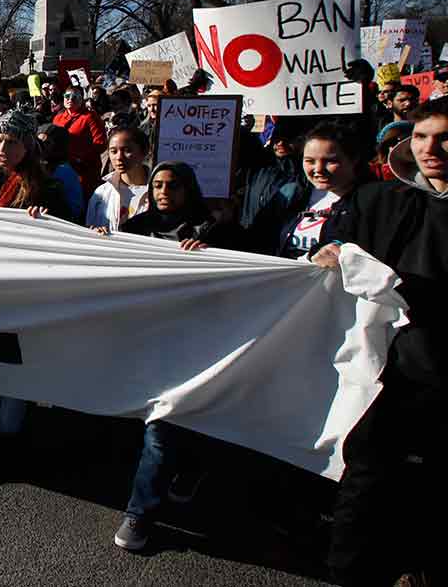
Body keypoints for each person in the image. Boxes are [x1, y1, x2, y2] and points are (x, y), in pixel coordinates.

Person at [314, 99, 448, 585]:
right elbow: (340, 246)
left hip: (439, 374)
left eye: (444, 137)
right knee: (364, 478)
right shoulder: (384, 201)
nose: (432, 149)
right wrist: (331, 252)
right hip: (382, 373)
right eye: (421, 137)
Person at [110, 162, 243, 552]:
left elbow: (247, 272)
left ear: (189, 189)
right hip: (143, 339)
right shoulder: (135, 228)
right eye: (157, 185)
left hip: (191, 342)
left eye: (173, 185)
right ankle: (189, 466)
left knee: (161, 428)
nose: (164, 191)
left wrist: (215, 254)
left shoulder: (215, 230)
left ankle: (140, 513)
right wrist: (102, 241)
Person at [0, 108, 68, 483]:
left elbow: (68, 239)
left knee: (16, 364)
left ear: (27, 146)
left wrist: (46, 226)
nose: (2, 146)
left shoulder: (47, 189)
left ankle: (4, 446)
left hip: (22, 291)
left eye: (11, 140)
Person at [247, 122, 364, 259]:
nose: (318, 169)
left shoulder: (369, 202)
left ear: (354, 159)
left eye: (330, 161)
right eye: (310, 161)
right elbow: (256, 242)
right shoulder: (291, 194)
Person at [85, 127, 152, 232]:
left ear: (144, 151)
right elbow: (89, 228)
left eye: (127, 150)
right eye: (113, 151)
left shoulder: (160, 192)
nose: (119, 157)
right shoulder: (101, 193)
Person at [52, 86, 109, 198]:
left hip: (84, 170)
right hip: (61, 167)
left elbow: (101, 143)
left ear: (81, 99)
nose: (70, 99)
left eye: (75, 97)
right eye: (67, 96)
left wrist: (80, 156)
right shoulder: (58, 118)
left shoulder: (90, 117)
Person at [36, 124, 85, 223]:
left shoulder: (65, 172)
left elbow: (75, 211)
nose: (41, 146)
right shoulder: (36, 167)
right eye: (39, 142)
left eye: (47, 142)